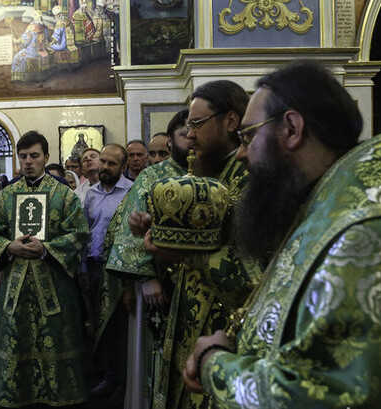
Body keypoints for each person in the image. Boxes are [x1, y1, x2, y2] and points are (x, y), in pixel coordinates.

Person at [184, 60, 381, 408]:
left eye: (248, 135)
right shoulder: (319, 213)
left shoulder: (371, 239)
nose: (243, 153)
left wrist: (214, 363)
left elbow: (324, 395)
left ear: (292, 128)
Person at [136, 80, 257, 409]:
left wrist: (183, 251)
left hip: (223, 334)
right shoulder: (217, 175)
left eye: (196, 124)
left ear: (230, 122)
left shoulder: (250, 179)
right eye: (188, 126)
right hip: (192, 319)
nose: (189, 135)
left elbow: (255, 279)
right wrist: (161, 233)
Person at [0, 131, 89, 407]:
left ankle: (58, 395)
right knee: (18, 339)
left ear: (47, 157)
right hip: (15, 290)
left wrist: (46, 249)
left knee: (55, 339)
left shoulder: (64, 196)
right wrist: (8, 247)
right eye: (23, 156)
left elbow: (79, 233)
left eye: (34, 156)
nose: (28, 162)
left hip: (54, 287)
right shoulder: (5, 197)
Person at [103, 109, 191, 409]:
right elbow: (130, 231)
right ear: (173, 141)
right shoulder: (154, 175)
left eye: (195, 130)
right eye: (184, 133)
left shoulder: (212, 171)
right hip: (158, 284)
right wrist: (145, 276)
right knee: (155, 355)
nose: (192, 138)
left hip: (196, 283)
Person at [81, 144, 134, 406]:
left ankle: (124, 379)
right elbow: (85, 233)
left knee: (119, 325)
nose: (105, 167)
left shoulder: (132, 192)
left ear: (123, 167)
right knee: (98, 322)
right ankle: (108, 376)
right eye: (103, 161)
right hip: (94, 266)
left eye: (112, 164)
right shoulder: (91, 194)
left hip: (119, 269)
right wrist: (82, 270)